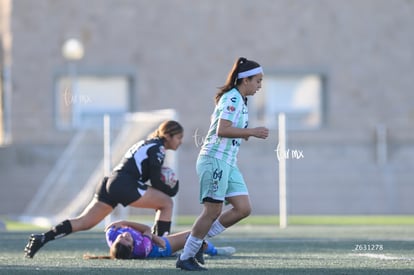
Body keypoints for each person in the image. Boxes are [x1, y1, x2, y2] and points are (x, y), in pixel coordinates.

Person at [24, 120, 184, 258]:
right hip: (124, 183)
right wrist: (173, 187)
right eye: (179, 137)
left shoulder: (148, 143)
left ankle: (44, 238)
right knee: (166, 203)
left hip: (111, 181)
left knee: (84, 222)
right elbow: (156, 181)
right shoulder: (158, 148)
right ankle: (163, 247)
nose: (180, 142)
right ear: (168, 136)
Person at [176, 57, 269, 271]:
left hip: (228, 162)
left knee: (243, 208)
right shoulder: (233, 99)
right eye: (258, 81)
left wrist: (244, 135)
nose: (260, 86)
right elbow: (222, 130)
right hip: (214, 160)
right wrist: (251, 132)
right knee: (212, 211)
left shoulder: (240, 101)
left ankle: (197, 241)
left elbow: (227, 131)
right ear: (245, 80)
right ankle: (186, 257)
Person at [83, 220, 235, 261]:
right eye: (127, 240)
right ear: (131, 248)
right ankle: (215, 251)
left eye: (121, 237)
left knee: (193, 237)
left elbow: (144, 231)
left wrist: (124, 222)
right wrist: (126, 222)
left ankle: (196, 252)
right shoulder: (141, 249)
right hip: (162, 248)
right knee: (194, 234)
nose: (125, 236)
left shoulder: (111, 235)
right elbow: (146, 229)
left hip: (157, 241)